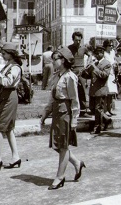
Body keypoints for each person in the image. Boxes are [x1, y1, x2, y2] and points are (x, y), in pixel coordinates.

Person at [42, 47, 85, 190]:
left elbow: (74, 100)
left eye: (56, 59)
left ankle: (60, 177)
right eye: (52, 59)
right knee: (57, 145)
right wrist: (45, 114)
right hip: (56, 112)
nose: (53, 61)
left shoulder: (70, 77)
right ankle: (77, 163)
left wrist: (74, 120)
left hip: (65, 113)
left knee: (63, 146)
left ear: (64, 60)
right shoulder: (56, 76)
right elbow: (51, 97)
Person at [0, 43, 22, 172]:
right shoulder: (7, 66)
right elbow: (0, 81)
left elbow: (8, 82)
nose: (2, 55)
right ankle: (15, 156)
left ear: (11, 54)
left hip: (9, 96)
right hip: (4, 96)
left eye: (4, 53)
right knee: (8, 128)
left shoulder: (15, 68)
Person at [82, 46, 112, 134]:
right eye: (96, 53)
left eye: (99, 53)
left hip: (100, 89)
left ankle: (97, 127)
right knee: (92, 108)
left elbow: (104, 75)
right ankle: (106, 119)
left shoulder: (107, 63)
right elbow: (89, 76)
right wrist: (85, 71)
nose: (97, 55)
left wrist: (94, 67)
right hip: (93, 90)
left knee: (98, 109)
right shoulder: (95, 63)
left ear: (102, 53)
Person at [68, 31, 89, 115]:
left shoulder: (84, 48)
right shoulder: (68, 48)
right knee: (72, 90)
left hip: (82, 72)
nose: (78, 42)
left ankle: (83, 110)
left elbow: (90, 55)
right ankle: (72, 109)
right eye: (76, 40)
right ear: (73, 39)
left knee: (82, 91)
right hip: (72, 71)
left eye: (80, 40)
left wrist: (86, 65)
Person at [102, 39, 118, 116]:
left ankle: (110, 109)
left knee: (111, 93)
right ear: (105, 46)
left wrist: (116, 64)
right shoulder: (104, 54)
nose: (111, 47)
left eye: (112, 45)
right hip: (106, 74)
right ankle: (105, 110)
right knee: (106, 93)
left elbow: (114, 61)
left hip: (112, 74)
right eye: (109, 45)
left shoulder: (113, 53)